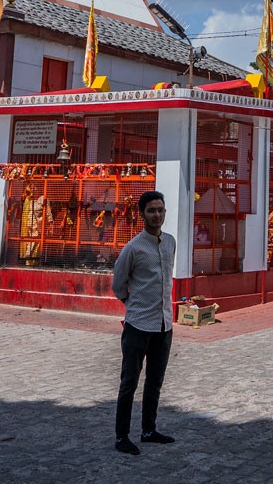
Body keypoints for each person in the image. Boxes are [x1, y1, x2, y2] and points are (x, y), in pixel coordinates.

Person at [110, 190, 176, 456]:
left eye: (160, 210)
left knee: (155, 381)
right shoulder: (133, 248)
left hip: (164, 325)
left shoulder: (170, 242)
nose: (157, 215)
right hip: (138, 325)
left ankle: (149, 430)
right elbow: (118, 284)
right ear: (142, 214)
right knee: (129, 382)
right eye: (151, 210)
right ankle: (121, 436)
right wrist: (133, 305)